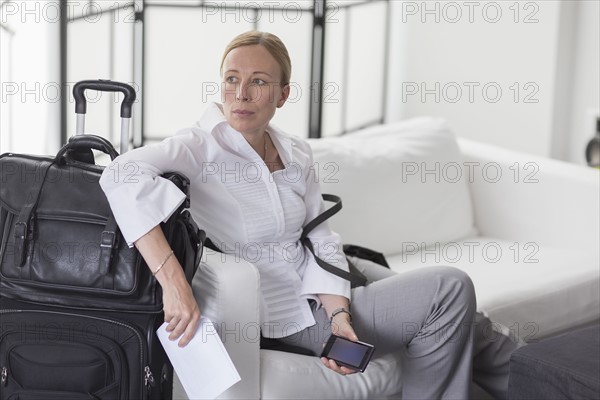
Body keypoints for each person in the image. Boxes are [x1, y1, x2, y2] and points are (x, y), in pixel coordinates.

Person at [100, 30, 522, 399]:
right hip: (285, 310)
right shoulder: (197, 146)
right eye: (232, 79)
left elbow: (320, 236)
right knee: (449, 289)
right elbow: (118, 175)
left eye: (258, 82)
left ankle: (546, 379)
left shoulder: (294, 150)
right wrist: (172, 281)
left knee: (467, 318)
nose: (241, 94)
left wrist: (340, 313)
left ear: (282, 94)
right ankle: (544, 380)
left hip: (324, 280)